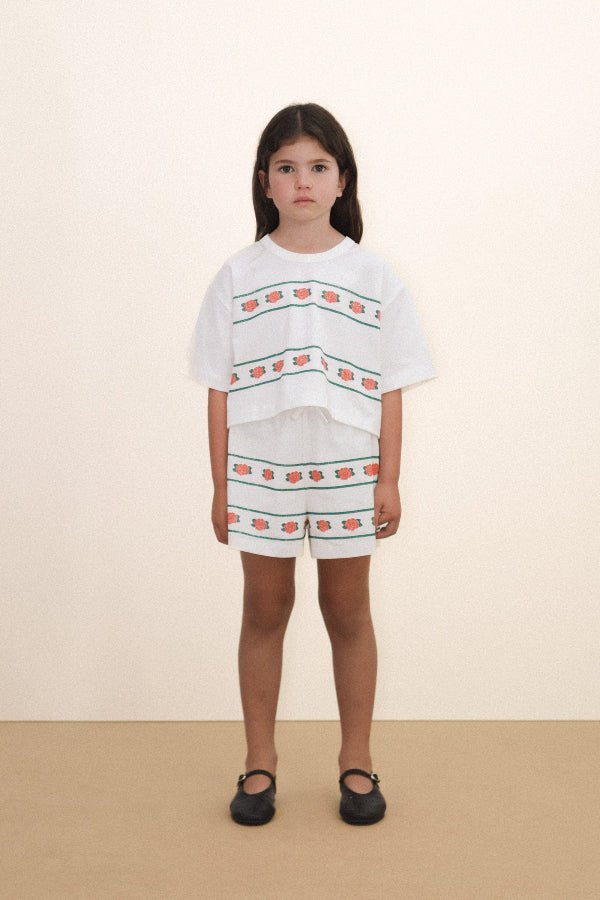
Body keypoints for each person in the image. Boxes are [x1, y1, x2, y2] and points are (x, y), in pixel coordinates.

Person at [187, 102, 437, 826]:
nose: (303, 181)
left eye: (318, 167)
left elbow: (390, 386)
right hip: (260, 470)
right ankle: (259, 761)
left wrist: (389, 478)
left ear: (342, 180)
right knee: (264, 610)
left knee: (348, 612)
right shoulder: (238, 275)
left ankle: (356, 759)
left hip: (348, 470)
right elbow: (218, 389)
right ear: (265, 180)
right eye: (288, 167)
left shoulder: (373, 275)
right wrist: (221, 487)